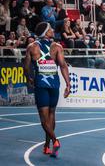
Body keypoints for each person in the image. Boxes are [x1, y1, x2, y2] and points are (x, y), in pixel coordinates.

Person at [23, 22, 70, 157]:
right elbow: (63, 66)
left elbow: (26, 67)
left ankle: (54, 141)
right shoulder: (57, 47)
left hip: (41, 85)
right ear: (45, 32)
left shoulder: (32, 47)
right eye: (50, 29)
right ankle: (46, 146)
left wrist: (29, 78)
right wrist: (68, 84)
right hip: (54, 84)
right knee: (51, 115)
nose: (53, 30)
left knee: (44, 119)